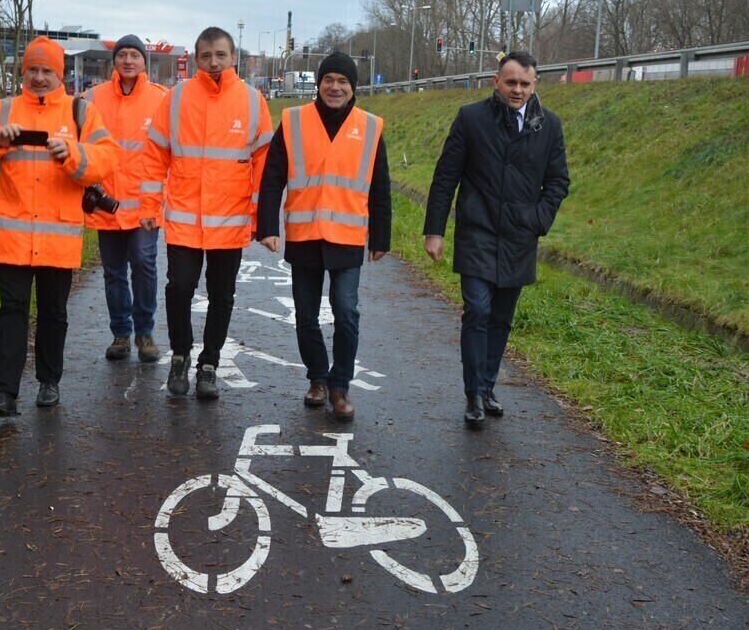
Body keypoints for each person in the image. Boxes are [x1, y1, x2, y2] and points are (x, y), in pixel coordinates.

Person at [0, 35, 118, 417]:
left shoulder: (80, 112)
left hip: (58, 235)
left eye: (47, 71)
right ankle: (4, 393)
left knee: (53, 311)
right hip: (12, 234)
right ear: (22, 72)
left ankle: (48, 383)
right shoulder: (3, 110)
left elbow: (108, 157)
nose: (39, 78)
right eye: (32, 70)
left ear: (60, 75)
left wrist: (73, 152)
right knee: (12, 310)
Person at [423, 51, 569, 425]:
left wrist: (538, 219)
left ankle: (487, 386)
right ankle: (473, 393)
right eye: (511, 82)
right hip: (477, 231)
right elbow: (445, 178)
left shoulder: (548, 126)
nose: (517, 90)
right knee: (478, 311)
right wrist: (435, 231)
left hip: (520, 237)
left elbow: (557, 182)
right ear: (496, 82)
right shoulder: (471, 118)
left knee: (502, 317)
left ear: (535, 85)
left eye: (524, 83)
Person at [139, 26, 273, 399]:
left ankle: (208, 364)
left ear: (234, 58)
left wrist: (261, 219)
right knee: (179, 288)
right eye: (206, 55)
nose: (213, 62)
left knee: (222, 294)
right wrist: (149, 206)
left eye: (221, 55)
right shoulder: (177, 97)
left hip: (230, 220)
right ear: (196, 59)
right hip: (183, 218)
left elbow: (265, 165)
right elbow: (154, 155)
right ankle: (180, 355)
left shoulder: (252, 101)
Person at [257, 51, 391, 423]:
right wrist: (267, 226)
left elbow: (380, 186)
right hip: (304, 236)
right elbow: (272, 178)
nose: (335, 87)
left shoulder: (370, 126)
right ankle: (317, 379)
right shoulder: (294, 120)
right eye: (329, 80)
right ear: (318, 84)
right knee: (306, 314)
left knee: (347, 312)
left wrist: (381, 237)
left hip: (347, 237)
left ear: (353, 88)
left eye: (343, 82)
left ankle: (340, 387)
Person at [82, 35, 167, 363]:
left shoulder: (162, 99)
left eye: (135, 55)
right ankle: (121, 333)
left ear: (144, 61)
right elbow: (81, 145)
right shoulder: (92, 98)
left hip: (144, 205)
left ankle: (145, 332)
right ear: (114, 61)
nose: (128, 60)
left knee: (144, 265)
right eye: (123, 55)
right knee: (113, 271)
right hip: (107, 201)